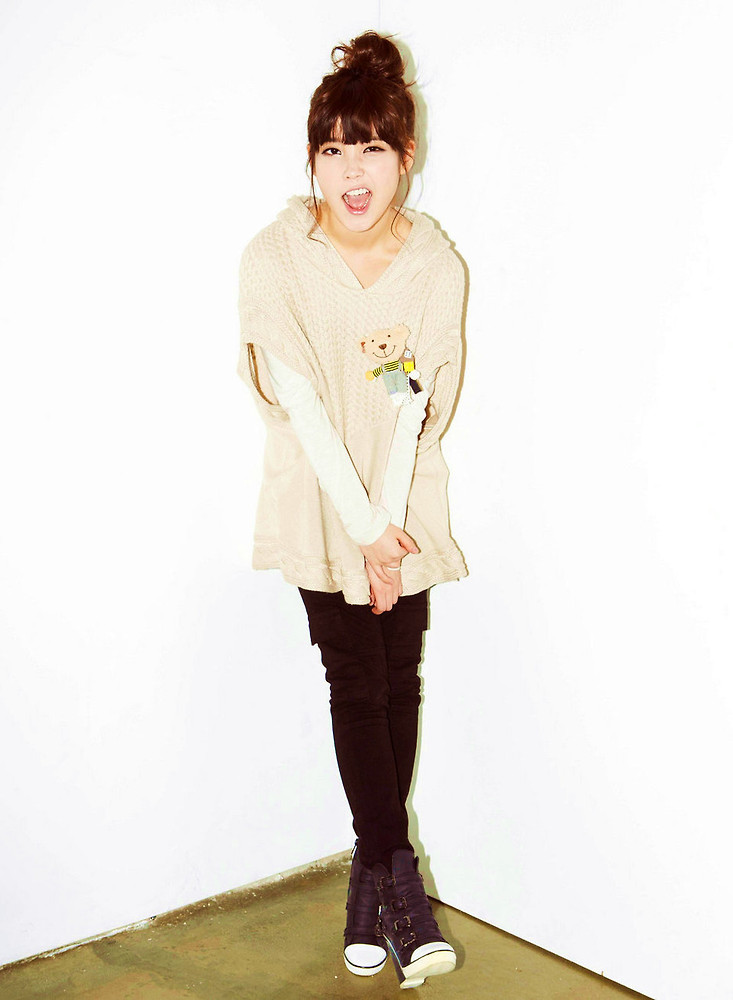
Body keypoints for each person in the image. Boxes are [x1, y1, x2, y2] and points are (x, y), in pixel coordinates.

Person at [237, 29, 467, 990]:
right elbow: (298, 402)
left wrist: (388, 529)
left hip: (403, 499)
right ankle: (401, 882)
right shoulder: (275, 260)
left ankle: (367, 888)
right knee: (355, 680)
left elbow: (413, 401)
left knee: (398, 678)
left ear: (405, 155)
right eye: (332, 149)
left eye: (370, 147)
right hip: (322, 502)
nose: (351, 172)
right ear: (312, 159)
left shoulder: (435, 266)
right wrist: (363, 532)